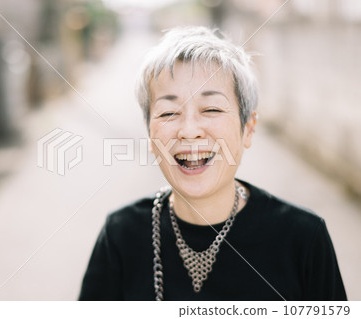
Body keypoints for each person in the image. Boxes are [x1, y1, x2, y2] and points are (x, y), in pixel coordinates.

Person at [78, 26, 347, 301]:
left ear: (248, 129)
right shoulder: (121, 236)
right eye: (169, 112)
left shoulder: (303, 238)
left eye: (212, 109)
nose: (189, 130)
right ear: (150, 134)